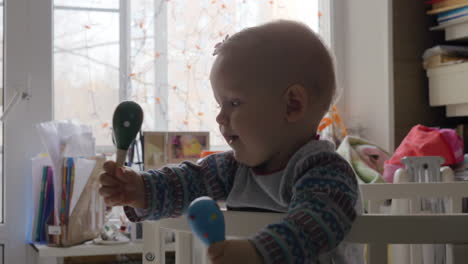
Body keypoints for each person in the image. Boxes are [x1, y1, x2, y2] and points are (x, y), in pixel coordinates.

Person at [99, 19, 361, 264]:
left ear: (292, 105)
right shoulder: (233, 168)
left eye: (234, 103)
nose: (220, 117)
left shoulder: (325, 171)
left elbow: (315, 223)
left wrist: (260, 253)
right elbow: (187, 181)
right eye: (219, 104)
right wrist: (140, 189)